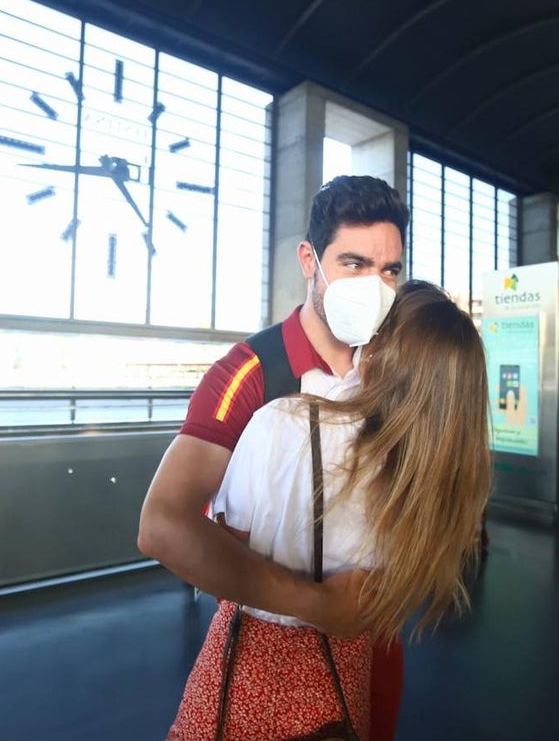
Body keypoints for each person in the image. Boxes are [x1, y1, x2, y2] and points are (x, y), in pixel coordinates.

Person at [139, 175, 409, 740]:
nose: (375, 286)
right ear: (309, 260)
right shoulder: (250, 373)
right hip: (267, 658)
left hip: (370, 642)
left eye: (390, 271)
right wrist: (315, 603)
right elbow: (162, 523)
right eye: (354, 264)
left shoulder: (386, 372)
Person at [167, 282, 491, 739]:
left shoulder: (284, 421)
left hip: (254, 677)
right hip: (346, 681)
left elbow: (221, 542)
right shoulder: (434, 482)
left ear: (378, 354)